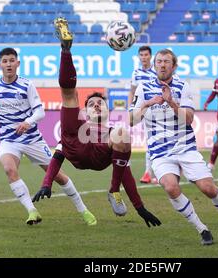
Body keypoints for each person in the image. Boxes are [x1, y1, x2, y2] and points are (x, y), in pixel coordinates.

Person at [32, 17, 161, 228]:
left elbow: (126, 173)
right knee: (69, 94)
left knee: (122, 132)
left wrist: (140, 207)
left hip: (101, 157)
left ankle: (113, 190)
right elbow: (56, 157)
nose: (96, 105)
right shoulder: (78, 123)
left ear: (108, 110)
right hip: (76, 148)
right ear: (86, 110)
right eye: (91, 103)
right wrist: (46, 184)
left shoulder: (114, 135)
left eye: (100, 103)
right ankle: (65, 50)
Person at [130, 48, 218, 245]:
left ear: (174, 66)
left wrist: (171, 101)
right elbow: (131, 120)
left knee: (208, 188)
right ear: (155, 65)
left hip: (185, 147)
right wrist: (147, 103)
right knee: (170, 187)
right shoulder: (143, 88)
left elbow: (189, 119)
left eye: (166, 62)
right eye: (159, 61)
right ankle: (202, 229)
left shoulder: (183, 86)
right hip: (159, 151)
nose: (162, 65)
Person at [0, 47, 96, 225]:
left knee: (59, 177)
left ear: (18, 63)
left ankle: (83, 210)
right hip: (9, 140)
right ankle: (32, 211)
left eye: (11, 60)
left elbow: (40, 112)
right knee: (9, 169)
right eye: (5, 61)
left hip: (32, 140)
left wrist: (28, 122)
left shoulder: (26, 85)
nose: (8, 64)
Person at [129, 45, 158, 184]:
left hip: (159, 109)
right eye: (141, 55)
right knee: (150, 140)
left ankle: (160, 171)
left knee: (159, 140)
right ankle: (148, 172)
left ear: (150, 56)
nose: (144, 57)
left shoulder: (157, 71)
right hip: (145, 110)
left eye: (146, 55)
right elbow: (132, 91)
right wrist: (131, 108)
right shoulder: (136, 73)